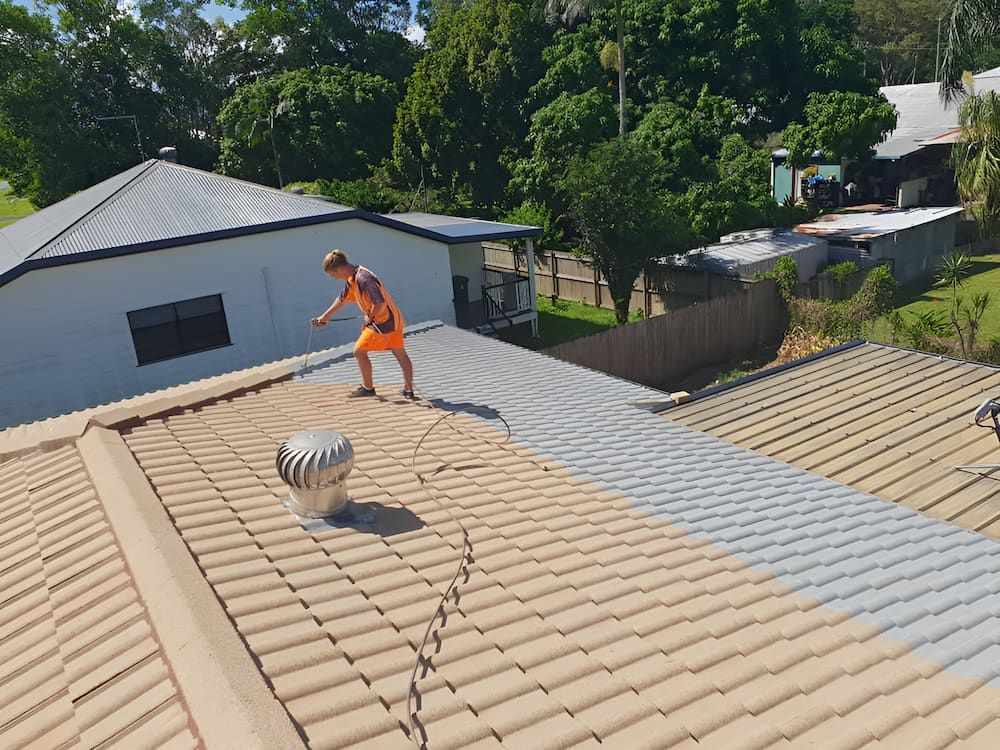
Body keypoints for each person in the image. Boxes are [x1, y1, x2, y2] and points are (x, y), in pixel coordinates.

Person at [311, 250, 415, 399]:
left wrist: (370, 317)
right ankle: (409, 390)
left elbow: (379, 303)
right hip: (394, 320)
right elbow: (342, 299)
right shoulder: (353, 277)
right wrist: (324, 317)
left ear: (339, 269)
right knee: (400, 353)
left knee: (358, 351)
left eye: (333, 275)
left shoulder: (363, 279)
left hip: (384, 322)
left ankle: (368, 388)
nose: (334, 278)